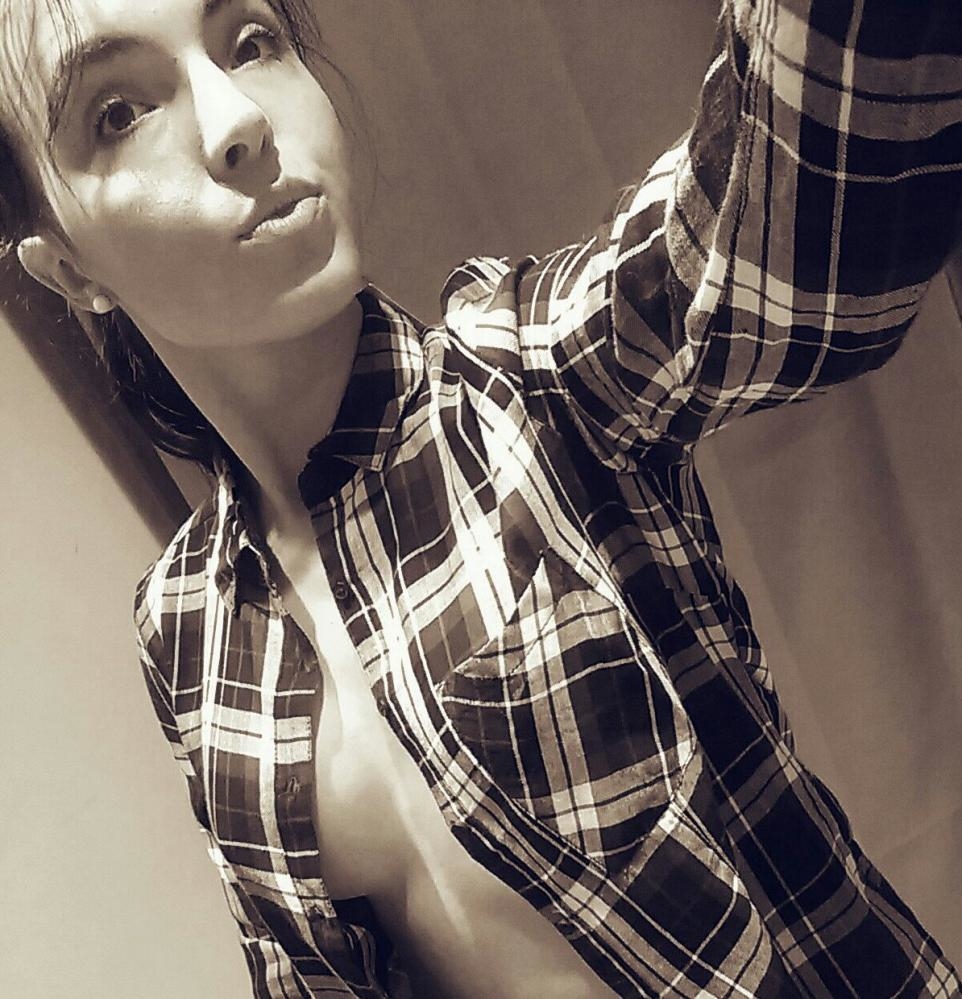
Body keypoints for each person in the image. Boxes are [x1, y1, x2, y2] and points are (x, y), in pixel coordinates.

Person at [2, 0, 960, 995]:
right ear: (69, 268)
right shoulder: (183, 630)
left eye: (251, 44)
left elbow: (782, 222)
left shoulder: (529, 378)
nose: (238, 118)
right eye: (119, 113)